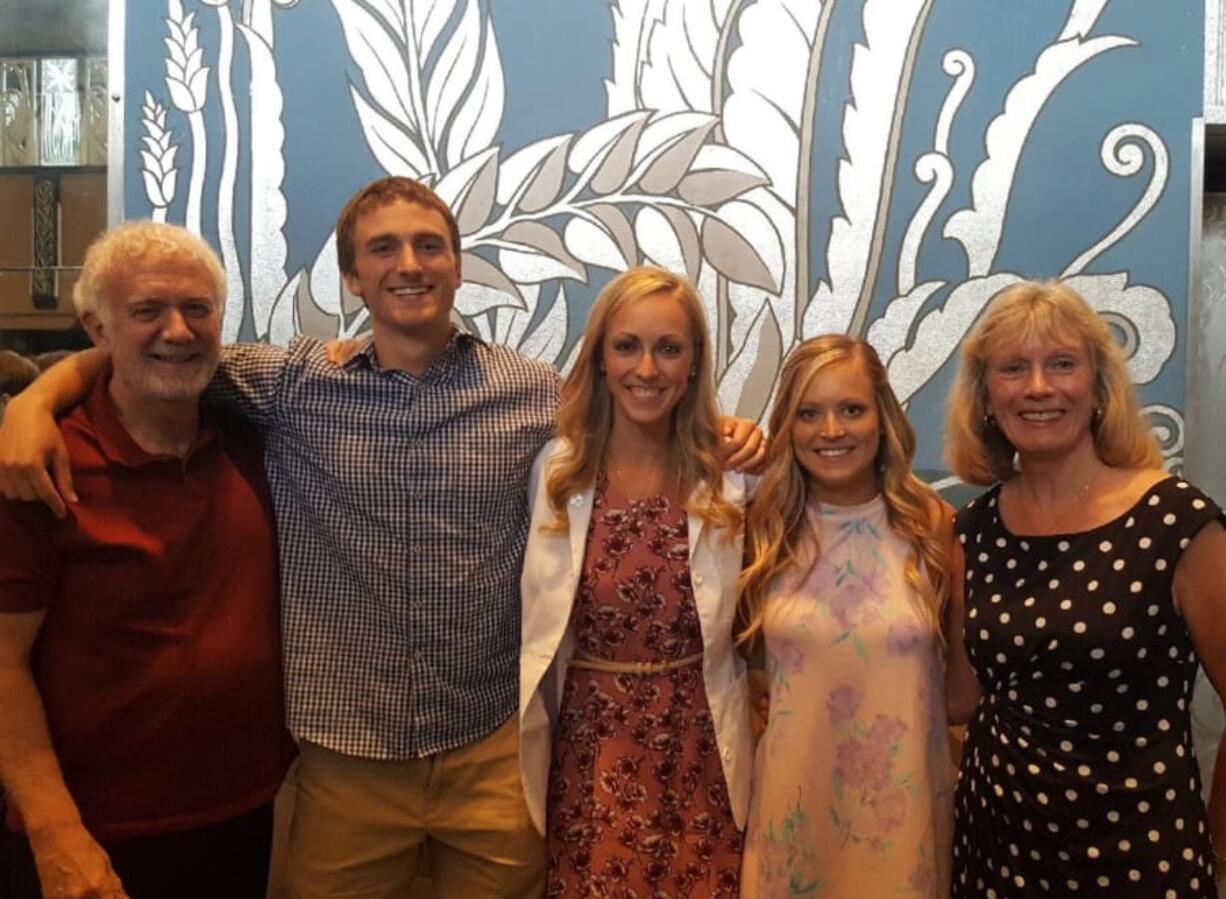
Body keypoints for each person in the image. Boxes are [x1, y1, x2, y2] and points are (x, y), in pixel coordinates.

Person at [0, 177, 765, 898]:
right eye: (382, 248)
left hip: (490, 754)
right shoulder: (294, 383)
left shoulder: (531, 392)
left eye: (430, 245)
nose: (409, 264)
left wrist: (725, 434)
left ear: (458, 268)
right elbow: (158, 351)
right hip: (344, 764)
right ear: (352, 279)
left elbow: (630, 414)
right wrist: (34, 399)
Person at [0, 222, 291, 899]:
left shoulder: (256, 434)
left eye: (197, 308)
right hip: (94, 836)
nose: (178, 331)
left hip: (245, 816)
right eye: (146, 311)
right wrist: (55, 832)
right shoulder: (37, 471)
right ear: (95, 328)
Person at [943, 279, 1226, 897]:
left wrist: (1218, 843)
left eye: (1062, 364)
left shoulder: (1174, 521)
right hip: (993, 850)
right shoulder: (971, 531)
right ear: (987, 398)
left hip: (1140, 860)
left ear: (1098, 389)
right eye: (1013, 368)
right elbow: (958, 700)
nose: (1039, 387)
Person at [518, 266, 751, 898]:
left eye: (668, 349)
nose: (646, 369)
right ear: (598, 358)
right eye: (627, 346)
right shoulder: (557, 471)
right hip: (593, 746)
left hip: (700, 745)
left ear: (695, 363)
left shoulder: (732, 477)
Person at [736, 335, 959, 898]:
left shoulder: (932, 525)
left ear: (881, 418)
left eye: (851, 409)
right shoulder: (761, 528)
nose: (830, 431)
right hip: (793, 813)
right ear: (788, 425)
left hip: (902, 816)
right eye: (809, 413)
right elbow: (736, 669)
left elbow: (961, 690)